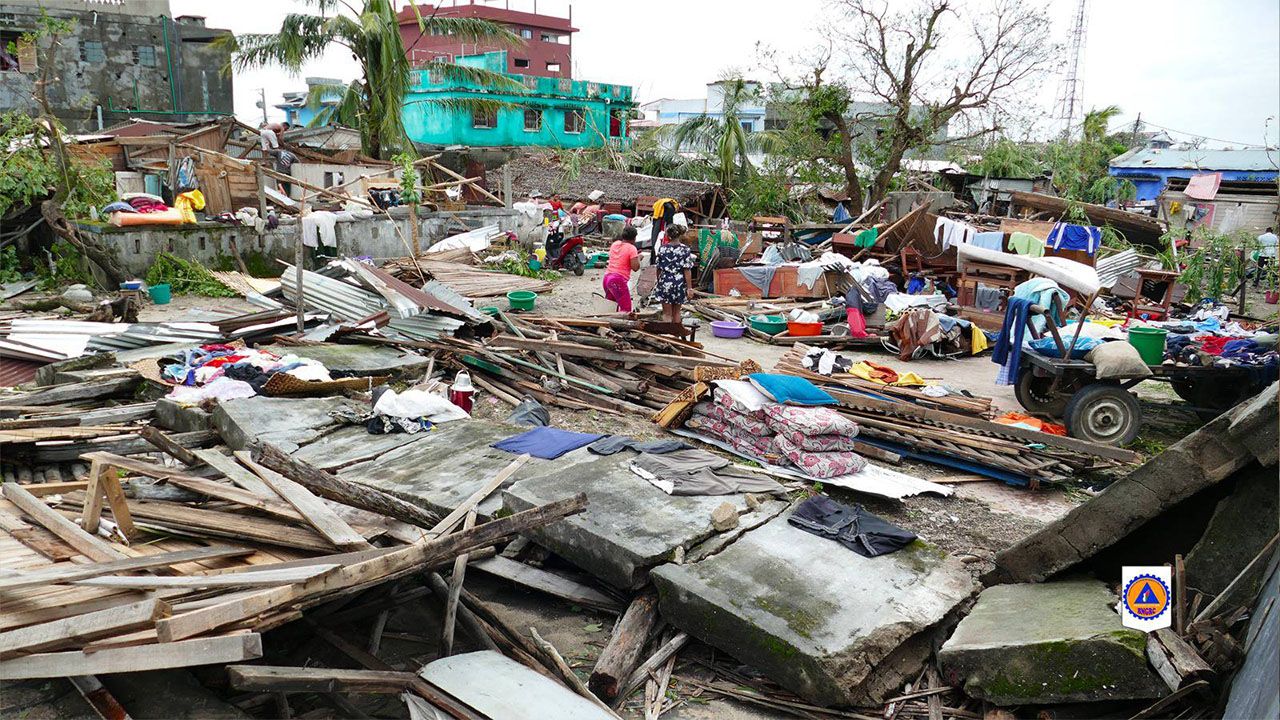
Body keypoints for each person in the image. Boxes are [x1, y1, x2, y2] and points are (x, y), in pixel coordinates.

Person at [653, 224, 695, 323]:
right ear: (679, 234)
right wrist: (689, 288)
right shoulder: (685, 250)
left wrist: (659, 282)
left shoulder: (662, 249)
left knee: (667, 313)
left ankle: (667, 336)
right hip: (679, 283)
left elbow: (658, 268)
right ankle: (676, 336)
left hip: (665, 281)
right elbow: (687, 269)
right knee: (677, 313)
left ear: (668, 235)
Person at [602, 226, 640, 313]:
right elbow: (635, 268)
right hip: (617, 280)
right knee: (626, 309)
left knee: (610, 308)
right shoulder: (631, 248)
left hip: (607, 277)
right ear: (634, 238)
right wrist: (638, 258)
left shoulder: (615, 244)